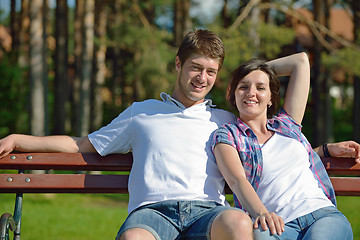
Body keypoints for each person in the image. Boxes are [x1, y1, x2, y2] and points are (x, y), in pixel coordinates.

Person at [0, 30, 357, 240]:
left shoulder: (225, 121)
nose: (202, 78)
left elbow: (276, 140)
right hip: (152, 212)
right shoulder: (141, 113)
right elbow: (81, 144)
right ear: (178, 65)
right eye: (195, 68)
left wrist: (323, 148)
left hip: (208, 213)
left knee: (237, 222)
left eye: (212, 72)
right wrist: (19, 139)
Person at [211, 52, 360, 240]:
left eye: (261, 87)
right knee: (258, 235)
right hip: (274, 224)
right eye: (243, 87)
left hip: (321, 215)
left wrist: (260, 70)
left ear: (271, 98)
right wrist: (262, 214)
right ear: (232, 94)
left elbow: (300, 61)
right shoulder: (227, 136)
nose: (251, 92)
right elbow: (237, 181)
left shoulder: (287, 124)